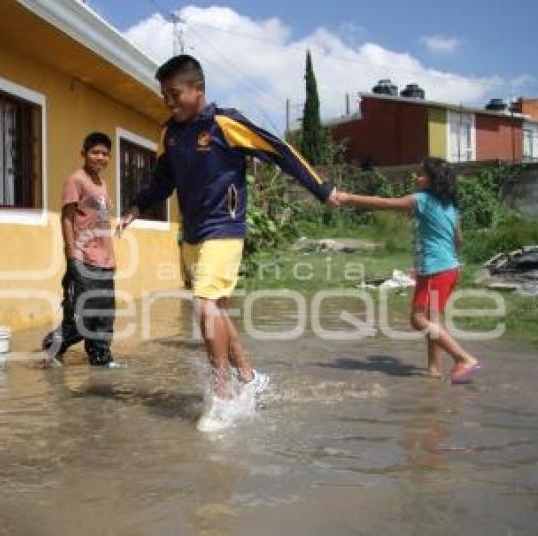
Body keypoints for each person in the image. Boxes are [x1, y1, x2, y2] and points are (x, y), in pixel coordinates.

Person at [118, 55, 338, 431]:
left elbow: (279, 150)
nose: (169, 103)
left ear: (198, 90)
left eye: (175, 94)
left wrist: (321, 188)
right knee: (217, 310)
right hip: (193, 233)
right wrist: (137, 205)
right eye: (164, 96)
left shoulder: (226, 123)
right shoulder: (169, 134)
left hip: (225, 227)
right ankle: (251, 379)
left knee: (205, 308)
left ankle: (221, 393)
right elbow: (162, 180)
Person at [336, 157, 481, 384]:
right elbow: (458, 240)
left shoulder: (421, 200)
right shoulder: (451, 206)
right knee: (433, 320)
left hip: (436, 271)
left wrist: (348, 197)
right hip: (448, 269)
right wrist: (427, 262)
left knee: (418, 319)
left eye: (421, 174)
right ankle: (434, 370)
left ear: (433, 180)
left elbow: (383, 203)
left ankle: (464, 358)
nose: (416, 177)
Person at [40, 132, 121, 368]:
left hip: (104, 261)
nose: (100, 157)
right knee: (84, 314)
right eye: (95, 152)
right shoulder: (77, 180)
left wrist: (111, 257)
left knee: (105, 314)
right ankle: (52, 345)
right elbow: (67, 219)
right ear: (83, 153)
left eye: (105, 154)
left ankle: (101, 358)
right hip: (84, 257)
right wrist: (71, 255)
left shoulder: (101, 183)